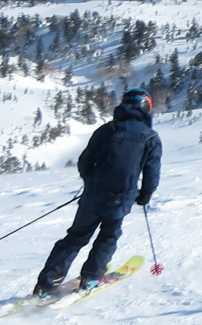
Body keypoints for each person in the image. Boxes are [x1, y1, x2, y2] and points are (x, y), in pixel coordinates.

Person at [33, 89, 162, 294]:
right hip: (121, 198)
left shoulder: (106, 130)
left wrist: (91, 181)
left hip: (93, 196)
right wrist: (145, 194)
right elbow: (151, 171)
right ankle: (91, 278)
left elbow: (85, 161)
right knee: (108, 237)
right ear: (147, 108)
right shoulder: (150, 137)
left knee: (75, 237)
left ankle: (46, 283)